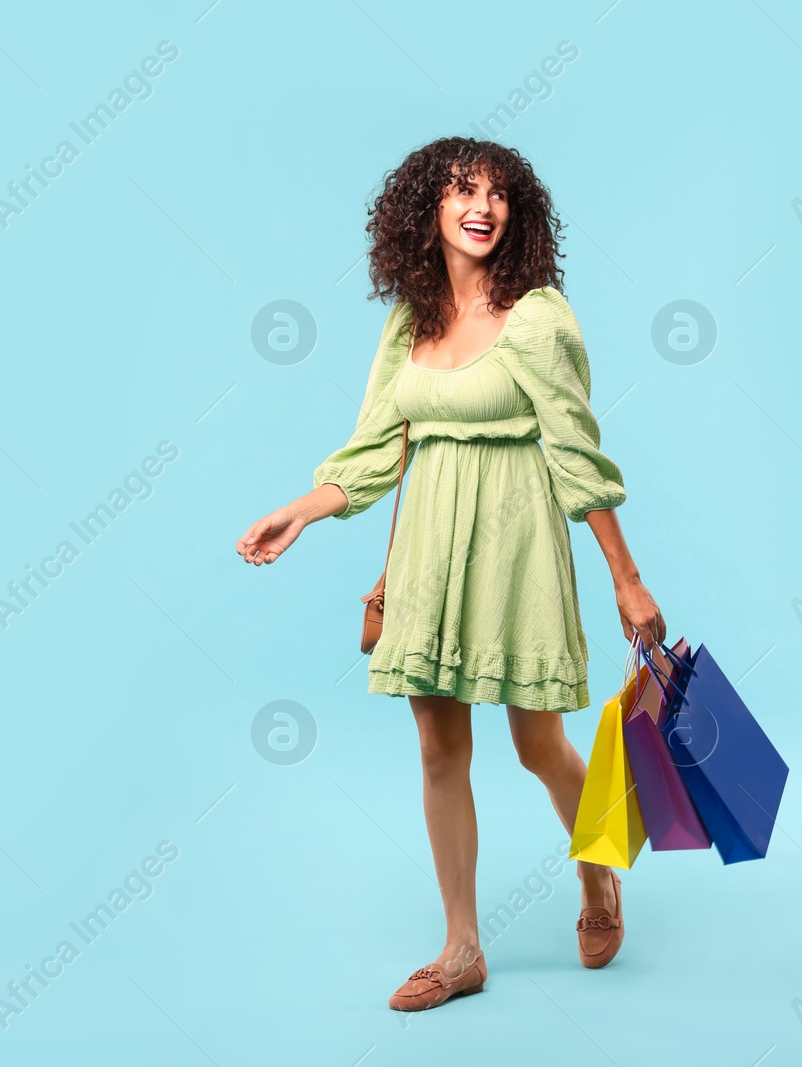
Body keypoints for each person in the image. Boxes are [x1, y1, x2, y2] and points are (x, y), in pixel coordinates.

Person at [236, 136, 665, 1011]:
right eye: (463, 189)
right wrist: (302, 510)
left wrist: (625, 576)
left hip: (516, 545)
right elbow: (372, 451)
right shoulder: (410, 319)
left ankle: (599, 874)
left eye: (500, 193)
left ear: (518, 214)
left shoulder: (539, 317)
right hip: (430, 549)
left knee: (537, 743)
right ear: (425, 210)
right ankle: (461, 947)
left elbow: (578, 455)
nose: (483, 205)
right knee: (439, 747)